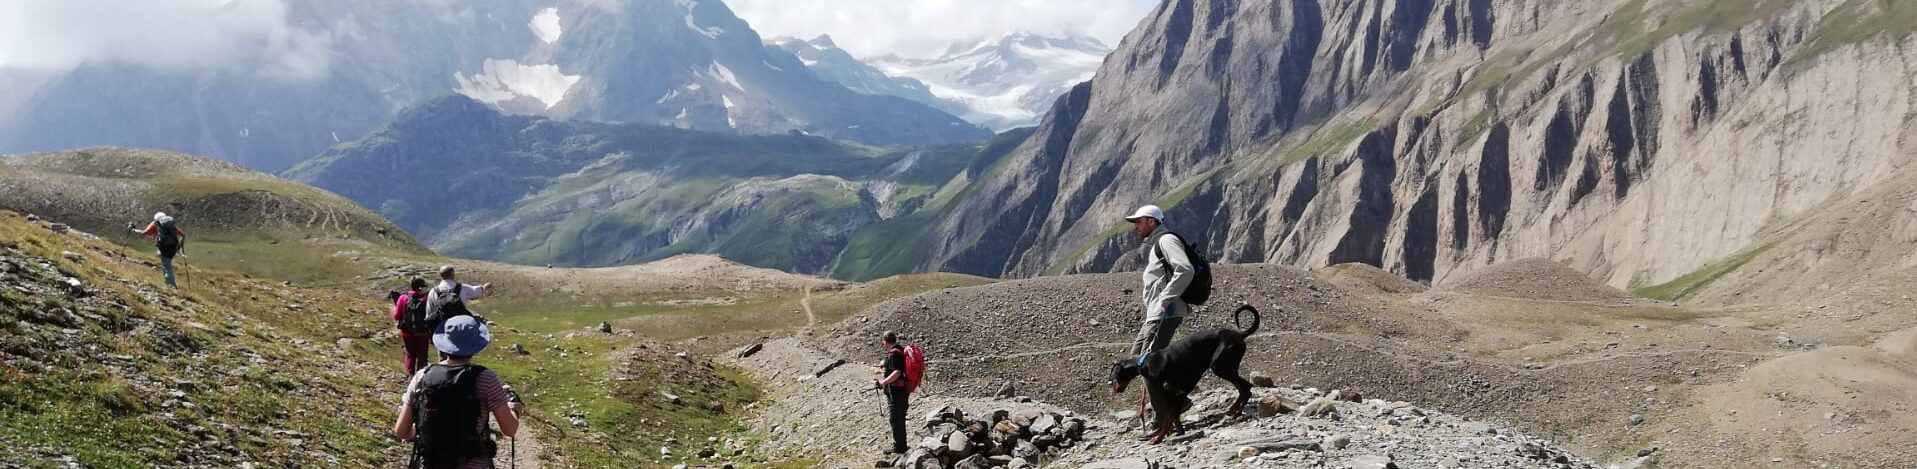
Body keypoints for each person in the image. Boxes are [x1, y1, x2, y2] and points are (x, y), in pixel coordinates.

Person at [393, 315, 523, 469]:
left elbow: (401, 431)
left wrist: (425, 429)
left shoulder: (422, 376)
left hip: (431, 464)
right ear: (476, 346)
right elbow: (509, 430)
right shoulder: (486, 378)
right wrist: (515, 411)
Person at [1123, 204, 1194, 432]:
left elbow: (1185, 269)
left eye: (1139, 222)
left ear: (1152, 222)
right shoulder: (1157, 245)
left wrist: (1165, 299)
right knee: (1137, 358)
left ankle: (1164, 417)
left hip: (1166, 312)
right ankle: (1177, 401)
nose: (1135, 227)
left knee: (1147, 363)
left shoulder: (1166, 241)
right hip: (1157, 313)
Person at [425, 265, 492, 337]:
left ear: (441, 275)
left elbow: (429, 311)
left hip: (442, 328)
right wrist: (484, 287)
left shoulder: (433, 291)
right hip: (460, 326)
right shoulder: (462, 288)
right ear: (453, 274)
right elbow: (475, 291)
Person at [873, 331, 910, 455]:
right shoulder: (900, 349)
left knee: (896, 419)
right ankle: (901, 445)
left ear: (885, 341)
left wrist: (882, 383)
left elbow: (897, 372)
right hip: (902, 391)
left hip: (896, 393)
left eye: (883, 342)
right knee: (899, 419)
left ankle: (900, 448)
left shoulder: (893, 354)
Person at [130, 212, 185, 288]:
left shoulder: (154, 225)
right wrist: (179, 247)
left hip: (164, 248)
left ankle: (171, 285)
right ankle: (169, 281)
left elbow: (143, 233)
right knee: (167, 263)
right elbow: (182, 235)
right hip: (173, 247)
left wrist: (134, 230)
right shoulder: (171, 226)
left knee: (167, 267)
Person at [392, 277, 434, 377]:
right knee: (422, 356)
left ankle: (409, 374)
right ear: (420, 288)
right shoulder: (426, 298)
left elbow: (396, 316)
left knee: (410, 354)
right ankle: (420, 377)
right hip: (423, 332)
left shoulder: (403, 298)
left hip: (406, 332)